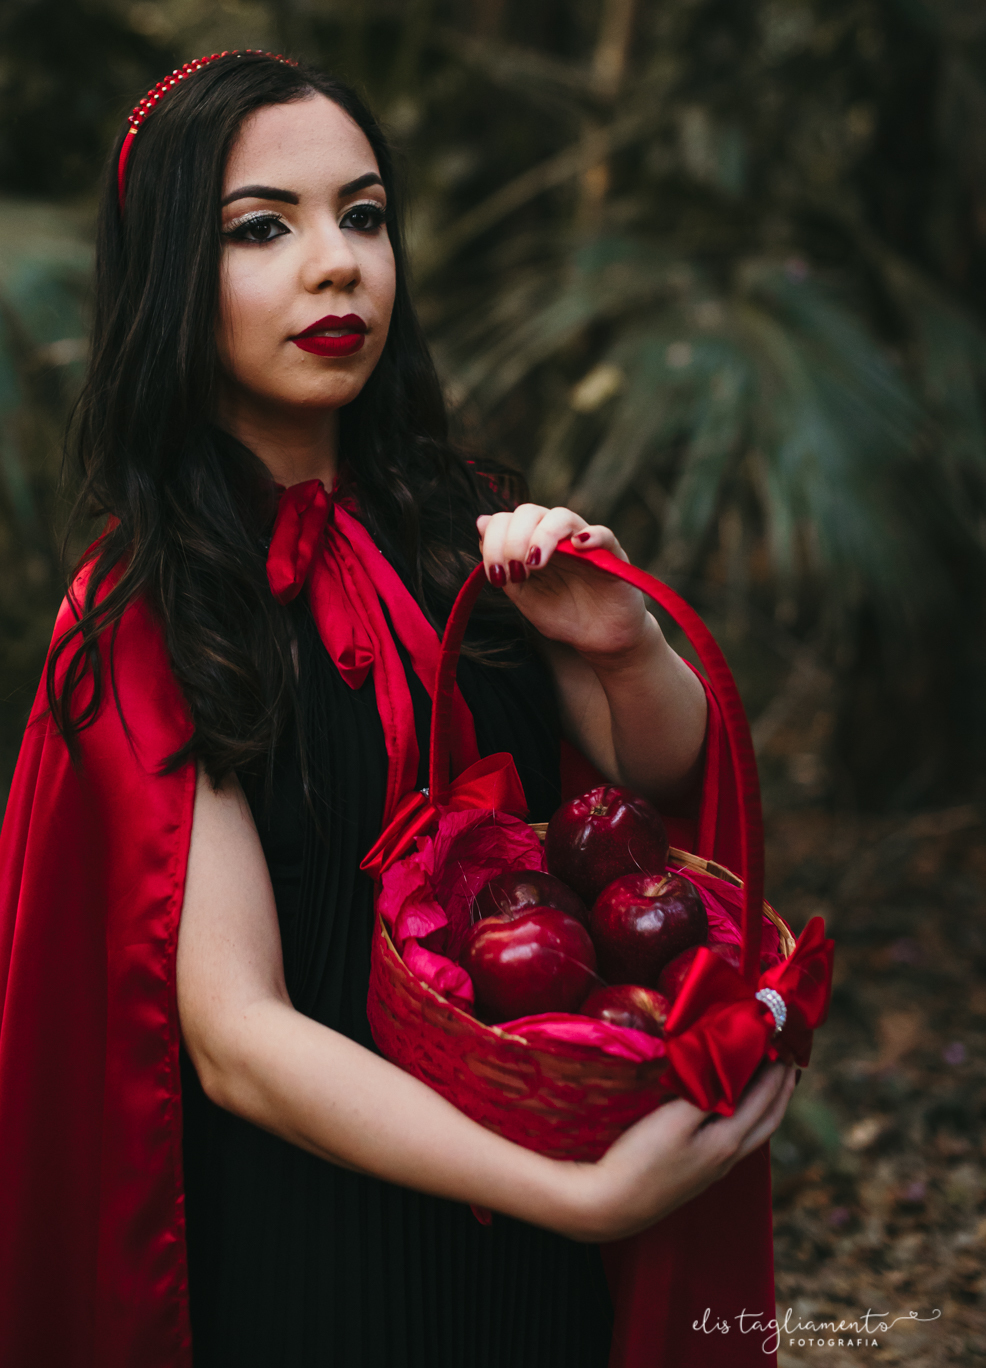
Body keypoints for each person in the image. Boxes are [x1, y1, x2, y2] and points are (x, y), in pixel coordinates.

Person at [0, 52, 795, 1368]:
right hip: (318, 1257)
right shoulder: (149, 610)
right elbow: (237, 1036)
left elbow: (649, 786)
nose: (338, 265)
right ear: (167, 278)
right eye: (262, 229)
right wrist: (574, 1197)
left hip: (538, 1251)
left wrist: (621, 644)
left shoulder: (457, 523)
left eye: (363, 215)